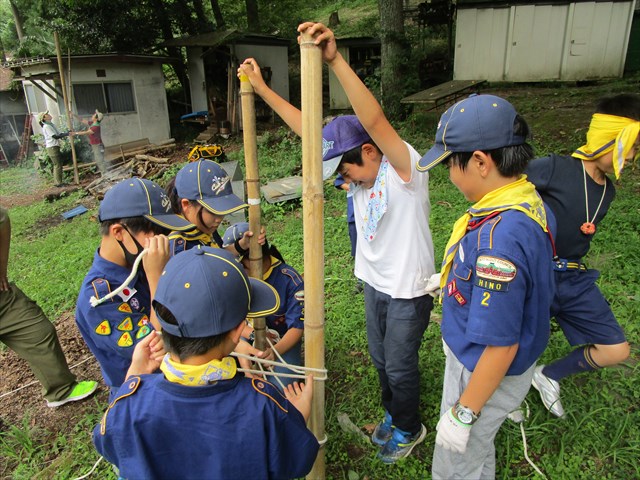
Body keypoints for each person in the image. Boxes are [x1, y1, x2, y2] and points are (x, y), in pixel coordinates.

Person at [238, 21, 436, 464]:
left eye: (344, 172)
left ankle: (409, 427)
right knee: (382, 359)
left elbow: (375, 120)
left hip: (409, 288)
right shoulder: (361, 178)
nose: (343, 182)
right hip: (376, 283)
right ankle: (393, 414)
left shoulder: (406, 171)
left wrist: (334, 60)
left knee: (401, 365)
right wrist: (262, 89)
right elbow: (309, 131)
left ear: (369, 152)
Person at [417, 94, 556, 479]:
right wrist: (450, 282)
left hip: (480, 370)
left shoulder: (499, 241)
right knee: (477, 451)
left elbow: (501, 343)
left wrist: (464, 412)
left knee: (455, 463)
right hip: (488, 362)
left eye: (451, 164)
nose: (449, 175)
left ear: (480, 161)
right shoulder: (524, 201)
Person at [92, 246, 319, 479]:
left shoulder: (130, 406)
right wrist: (297, 416)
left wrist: (133, 378)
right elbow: (297, 461)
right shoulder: (263, 406)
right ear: (237, 332)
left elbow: (108, 443)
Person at [526, 93, 640, 418]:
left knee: (615, 350)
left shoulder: (609, 191)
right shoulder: (554, 168)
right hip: (535, 275)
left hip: (574, 279)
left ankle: (548, 375)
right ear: (609, 138)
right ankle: (501, 396)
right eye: (631, 146)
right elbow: (504, 190)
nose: (632, 156)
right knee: (512, 344)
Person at [75, 177, 192, 402]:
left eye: (165, 232)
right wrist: (156, 276)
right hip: (141, 396)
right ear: (119, 232)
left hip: (177, 379)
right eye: (153, 232)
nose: (162, 242)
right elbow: (151, 348)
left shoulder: (140, 262)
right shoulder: (99, 297)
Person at [1, 205, 98, 407]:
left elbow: (2, 219)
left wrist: (1, 267)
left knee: (37, 331)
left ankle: (60, 389)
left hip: (3, 300)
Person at [222, 222, 305, 388]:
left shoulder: (289, 280)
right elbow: (228, 321)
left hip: (281, 344)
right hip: (242, 337)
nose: (238, 272)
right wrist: (253, 336)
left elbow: (297, 327)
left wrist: (273, 353)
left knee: (280, 389)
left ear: (257, 257)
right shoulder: (232, 278)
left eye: (242, 266)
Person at [165, 159, 262, 257]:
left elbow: (217, 256)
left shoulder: (205, 227)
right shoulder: (181, 248)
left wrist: (242, 245)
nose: (219, 219)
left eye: (222, 209)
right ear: (186, 205)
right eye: (212, 211)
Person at [333, 174, 362, 293]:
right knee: (357, 248)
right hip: (354, 215)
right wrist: (352, 188)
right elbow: (338, 182)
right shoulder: (350, 164)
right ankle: (360, 281)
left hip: (369, 215)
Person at [71, 110, 108, 176]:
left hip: (98, 145)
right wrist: (74, 114)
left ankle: (105, 174)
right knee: (99, 159)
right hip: (97, 145)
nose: (92, 116)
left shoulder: (96, 127)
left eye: (93, 115)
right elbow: (82, 120)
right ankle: (104, 172)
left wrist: (75, 133)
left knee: (99, 160)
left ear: (96, 118)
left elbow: (86, 132)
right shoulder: (93, 123)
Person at [37, 111, 68, 187]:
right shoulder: (47, 126)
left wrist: (66, 133)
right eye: (46, 114)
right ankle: (58, 183)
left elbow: (59, 134)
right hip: (52, 147)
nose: (49, 115)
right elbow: (55, 136)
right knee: (57, 165)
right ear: (44, 118)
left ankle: (59, 182)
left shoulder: (51, 125)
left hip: (54, 146)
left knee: (58, 164)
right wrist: (67, 134)